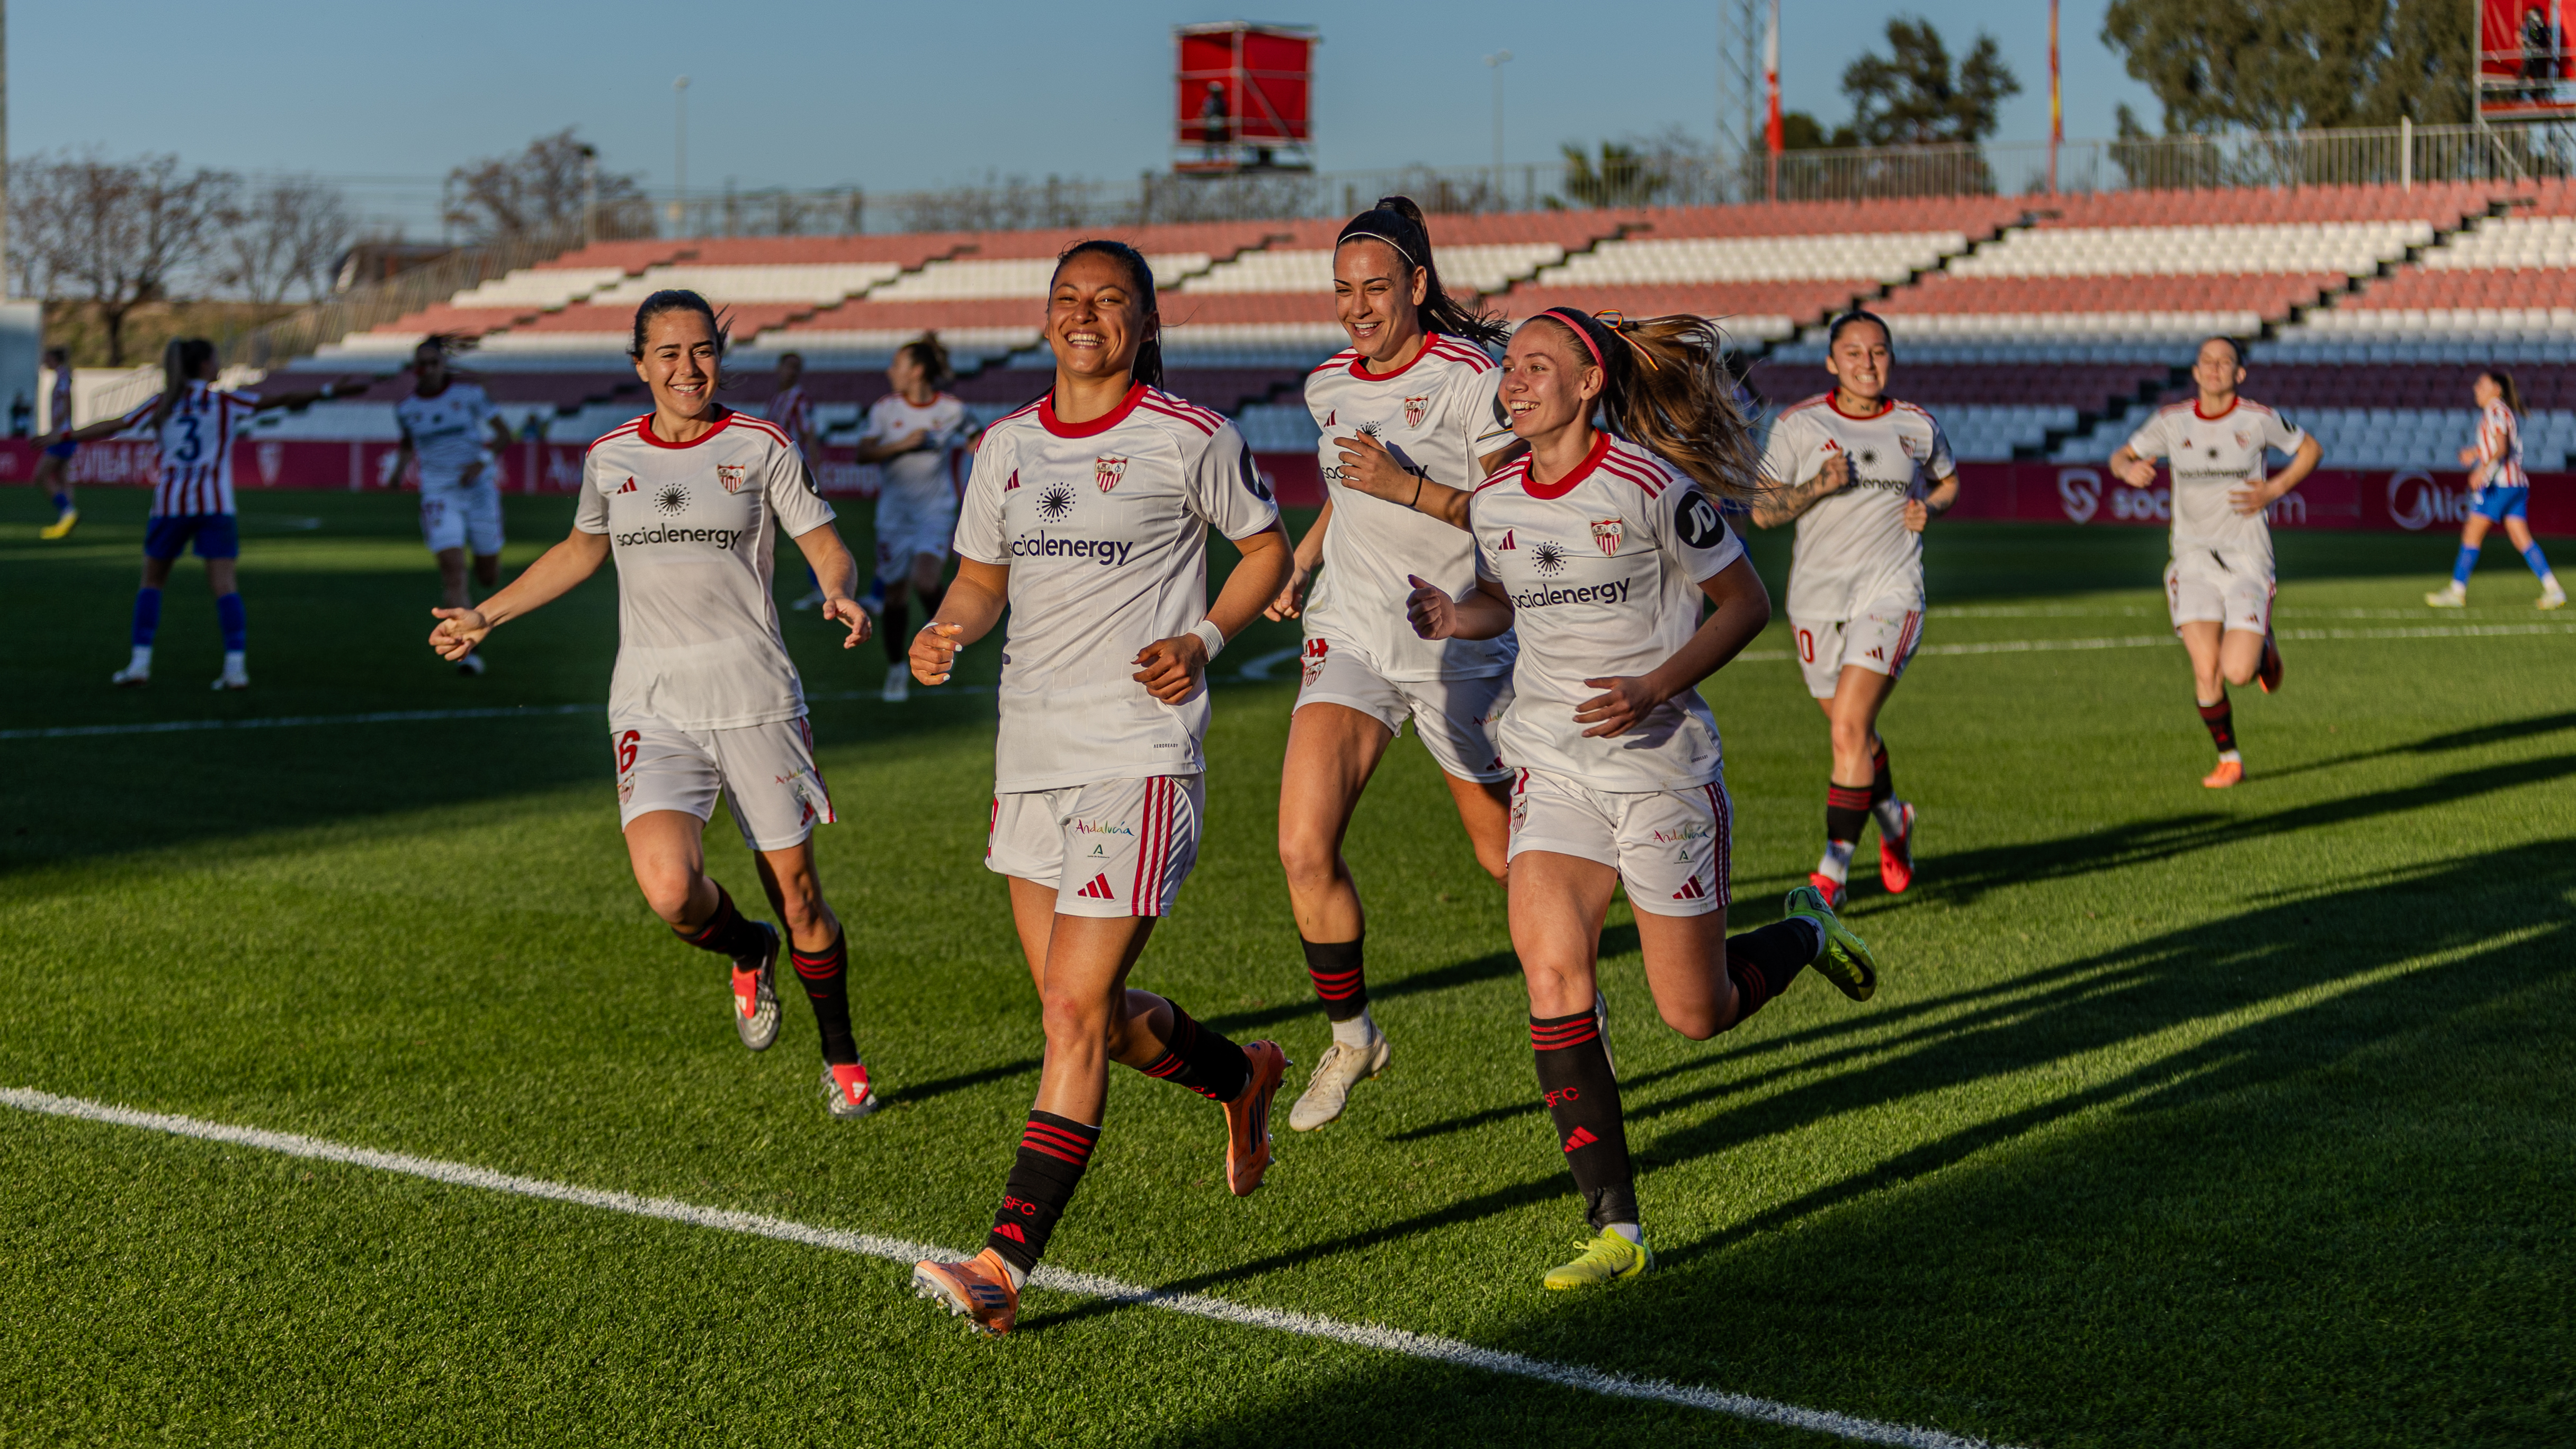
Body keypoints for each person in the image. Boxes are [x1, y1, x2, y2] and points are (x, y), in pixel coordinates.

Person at [1404, 306, 1879, 1291]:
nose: (1513, 381)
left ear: (1589, 384)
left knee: (1695, 1012)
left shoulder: (1652, 487)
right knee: (1551, 978)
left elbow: (1745, 602)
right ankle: (1615, 1229)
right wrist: (1457, 614)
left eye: (1537, 366)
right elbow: (1508, 598)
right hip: (1553, 763)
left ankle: (1804, 932)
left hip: (1662, 770)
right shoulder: (1495, 496)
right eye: (1509, 367)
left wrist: (1654, 688)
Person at [905, 241, 1295, 1338]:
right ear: (1045, 317)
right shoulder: (1005, 446)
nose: (1086, 314)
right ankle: (1238, 1076)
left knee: (1072, 1013)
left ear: (1144, 322)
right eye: (1069, 297)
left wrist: (1203, 639)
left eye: (1109, 299)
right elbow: (980, 581)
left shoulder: (1189, 436)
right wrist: (945, 629)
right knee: (1089, 1014)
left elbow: (1266, 551)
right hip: (1030, 757)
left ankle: (1002, 1263)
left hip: (1138, 753)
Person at [424, 290, 886, 1122]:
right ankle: (747, 947)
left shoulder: (761, 445)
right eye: (669, 353)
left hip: (754, 699)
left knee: (800, 897)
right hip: (651, 701)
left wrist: (837, 590)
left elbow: (825, 543)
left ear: (720, 358)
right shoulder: (610, 457)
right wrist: (486, 614)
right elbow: (579, 553)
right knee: (672, 889)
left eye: (703, 350)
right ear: (640, 364)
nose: (688, 368)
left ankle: (841, 1055)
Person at [1260, 196, 1520, 1131]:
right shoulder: (1326, 383)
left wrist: (1407, 485)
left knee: (1506, 861)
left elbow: (1514, 511)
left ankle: (1576, 1002)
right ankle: (1353, 1037)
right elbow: (1347, 482)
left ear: (1415, 284)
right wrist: (1302, 558)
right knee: (1302, 845)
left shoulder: (1471, 379)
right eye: (1342, 291)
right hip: (1353, 632)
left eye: (1374, 289)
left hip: (1459, 639)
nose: (1356, 308)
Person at [1749, 310, 1958, 909]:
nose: (1868, 363)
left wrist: (1931, 508)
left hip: (1891, 593)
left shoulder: (1917, 425)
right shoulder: (1799, 424)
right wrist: (1817, 485)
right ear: (1831, 362)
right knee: (1853, 734)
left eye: (1878, 352)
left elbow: (1947, 482)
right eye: (1854, 353)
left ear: (1890, 358)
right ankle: (1895, 820)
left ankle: (1832, 874)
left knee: (1847, 728)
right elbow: (1762, 511)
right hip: (1816, 601)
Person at [60, 338, 366, 690]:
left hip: (170, 506)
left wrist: (67, 435)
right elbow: (280, 400)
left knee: (152, 583)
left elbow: (116, 424)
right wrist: (327, 391)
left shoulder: (163, 403)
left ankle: (139, 664)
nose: (219, 364)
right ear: (205, 364)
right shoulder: (224, 402)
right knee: (225, 587)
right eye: (216, 358)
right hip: (215, 506)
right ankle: (235, 669)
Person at [2111, 336, 2322, 788]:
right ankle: (2229, 758)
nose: (2214, 368)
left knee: (2238, 672)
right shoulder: (2171, 421)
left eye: (2224, 362)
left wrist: (2273, 489)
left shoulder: (2258, 419)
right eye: (2206, 361)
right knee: (2205, 670)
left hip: (2247, 560)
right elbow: (2120, 456)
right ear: (2195, 371)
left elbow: (2311, 450)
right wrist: (2128, 469)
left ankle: (2263, 649)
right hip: (2191, 562)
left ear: (2239, 373)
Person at [390, 337, 517, 676]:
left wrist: (482, 462)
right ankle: (468, 650)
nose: (429, 369)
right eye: (423, 364)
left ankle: (480, 582)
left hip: (479, 491)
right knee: (453, 569)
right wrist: (398, 473)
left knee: (488, 576)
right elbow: (407, 444)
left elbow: (504, 434)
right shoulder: (406, 408)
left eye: (434, 363)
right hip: (438, 493)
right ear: (415, 369)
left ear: (444, 365)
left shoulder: (470, 396)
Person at [854, 333, 970, 702]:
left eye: (897, 365)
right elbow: (863, 453)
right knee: (895, 596)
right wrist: (903, 444)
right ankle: (896, 670)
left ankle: (945, 643)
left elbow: (977, 440)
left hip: (935, 512)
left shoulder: (951, 410)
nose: (890, 371)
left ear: (917, 371)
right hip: (894, 518)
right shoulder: (885, 410)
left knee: (925, 579)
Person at [2426, 368, 2563, 610]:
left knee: (2472, 533)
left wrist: (2482, 470)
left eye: (2481, 385)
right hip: (2516, 484)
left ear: (2496, 389)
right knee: (2522, 539)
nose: (2476, 389)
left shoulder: (2496, 411)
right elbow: (2499, 446)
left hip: (2500, 484)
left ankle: (2457, 591)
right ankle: (2554, 589)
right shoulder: (2501, 411)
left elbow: (2502, 449)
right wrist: (2475, 452)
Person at [770, 351, 829, 614]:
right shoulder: (778, 399)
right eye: (788, 366)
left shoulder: (799, 399)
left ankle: (822, 589)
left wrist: (815, 473)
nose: (791, 372)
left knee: (809, 531)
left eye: (796, 367)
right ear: (778, 368)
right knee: (766, 529)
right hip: (774, 473)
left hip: (794, 474)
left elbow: (810, 434)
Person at [35, 346, 79, 539]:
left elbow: (67, 405)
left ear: (53, 358)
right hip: (65, 434)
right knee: (62, 478)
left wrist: (56, 430)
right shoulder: (63, 376)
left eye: (47, 357)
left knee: (41, 476)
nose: (44, 360)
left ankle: (68, 512)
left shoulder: (62, 377)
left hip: (61, 435)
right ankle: (67, 522)